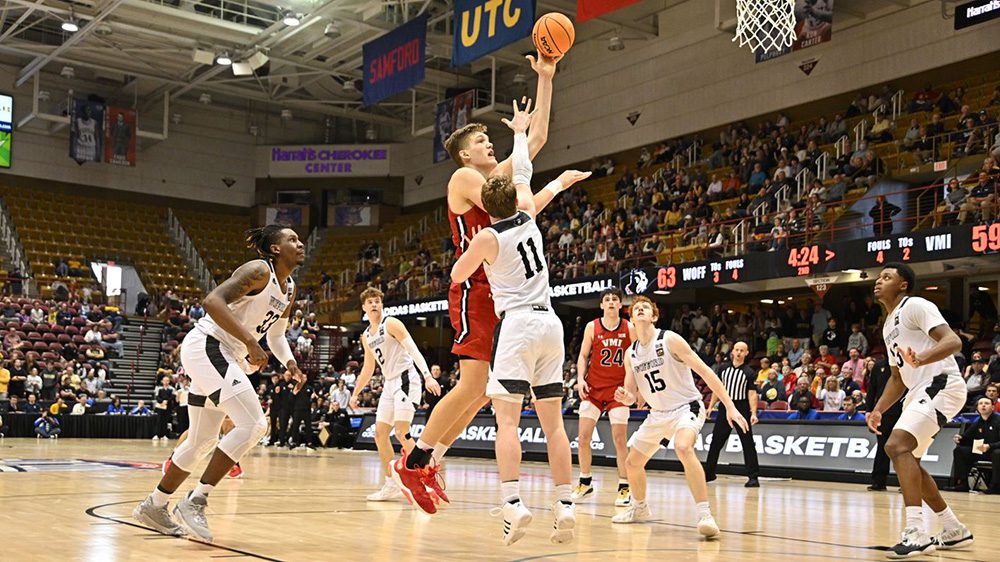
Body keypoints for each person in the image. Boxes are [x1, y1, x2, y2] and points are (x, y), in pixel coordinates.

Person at [395, 53, 564, 494]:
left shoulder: (496, 179)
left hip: (503, 290)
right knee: (473, 384)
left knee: (483, 391)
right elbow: (508, 206)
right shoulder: (463, 180)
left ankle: (430, 458)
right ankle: (413, 459)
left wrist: (545, 77)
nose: (491, 144)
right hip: (474, 289)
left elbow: (539, 135)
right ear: (465, 154)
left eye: (491, 140)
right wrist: (534, 181)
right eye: (482, 141)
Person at [440, 106, 588, 544]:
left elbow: (457, 275)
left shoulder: (488, 236)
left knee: (507, 422)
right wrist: (528, 144)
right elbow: (525, 176)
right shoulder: (529, 220)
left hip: (518, 325)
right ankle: (565, 505)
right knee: (555, 424)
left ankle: (512, 504)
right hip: (552, 325)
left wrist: (473, 252)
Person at [133, 225, 306, 542]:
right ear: (276, 248)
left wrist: (291, 363)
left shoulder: (290, 287)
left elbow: (278, 335)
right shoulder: (258, 270)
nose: (300, 243)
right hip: (209, 346)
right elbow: (212, 301)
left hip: (224, 354)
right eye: (292, 239)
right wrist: (251, 343)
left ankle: (154, 505)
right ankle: (194, 500)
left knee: (200, 441)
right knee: (254, 425)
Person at [610, 296, 748, 537]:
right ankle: (639, 507)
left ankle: (705, 515)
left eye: (646, 308)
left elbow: (705, 371)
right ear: (631, 320)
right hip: (657, 414)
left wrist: (730, 406)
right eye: (636, 309)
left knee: (683, 447)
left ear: (653, 317)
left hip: (686, 407)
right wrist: (625, 397)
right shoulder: (630, 354)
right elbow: (632, 396)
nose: (640, 309)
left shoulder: (669, 339)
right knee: (632, 463)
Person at [867, 263, 973, 557]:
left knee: (896, 445)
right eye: (878, 277)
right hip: (916, 391)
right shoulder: (888, 325)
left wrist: (922, 358)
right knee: (908, 460)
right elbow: (897, 378)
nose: (879, 281)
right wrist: (878, 409)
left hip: (941, 383)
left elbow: (953, 341)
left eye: (886, 277)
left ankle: (916, 531)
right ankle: (953, 528)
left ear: (902, 285)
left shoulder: (915, 305)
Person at [352, 287, 441, 503]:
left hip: (406, 379)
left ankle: (427, 478)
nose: (374, 305)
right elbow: (368, 368)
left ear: (382, 304)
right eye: (370, 302)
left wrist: (428, 376)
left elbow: (413, 349)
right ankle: (391, 484)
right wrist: (355, 392)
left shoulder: (391, 323)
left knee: (402, 432)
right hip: (390, 384)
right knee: (380, 434)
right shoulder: (366, 336)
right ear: (364, 308)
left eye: (377, 301)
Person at [572, 287, 635, 505]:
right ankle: (585, 481)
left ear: (620, 305)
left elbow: (637, 358)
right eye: (606, 299)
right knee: (583, 438)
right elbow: (582, 355)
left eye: (614, 299)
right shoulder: (592, 326)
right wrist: (580, 379)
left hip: (618, 390)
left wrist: (632, 388)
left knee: (619, 440)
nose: (610, 302)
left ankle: (624, 486)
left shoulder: (629, 327)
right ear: (601, 305)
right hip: (594, 389)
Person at [704, 341, 760, 487]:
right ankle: (708, 473)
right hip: (724, 407)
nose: (739, 352)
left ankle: (753, 477)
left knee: (747, 443)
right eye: (737, 349)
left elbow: (752, 394)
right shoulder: (723, 368)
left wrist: (753, 413)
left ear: (747, 353)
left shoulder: (749, 372)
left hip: (741, 408)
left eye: (742, 350)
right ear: (732, 351)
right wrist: (710, 407)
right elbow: (717, 389)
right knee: (716, 441)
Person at [950, 396, 1000, 493]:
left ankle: (995, 487)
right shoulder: (978, 422)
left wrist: (990, 446)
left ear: (993, 407)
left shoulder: (998, 421)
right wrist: (959, 438)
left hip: (995, 451)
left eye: (986, 403)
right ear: (977, 408)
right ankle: (962, 484)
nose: (983, 405)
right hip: (982, 452)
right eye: (980, 404)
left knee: (997, 453)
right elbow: (966, 438)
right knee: (960, 451)